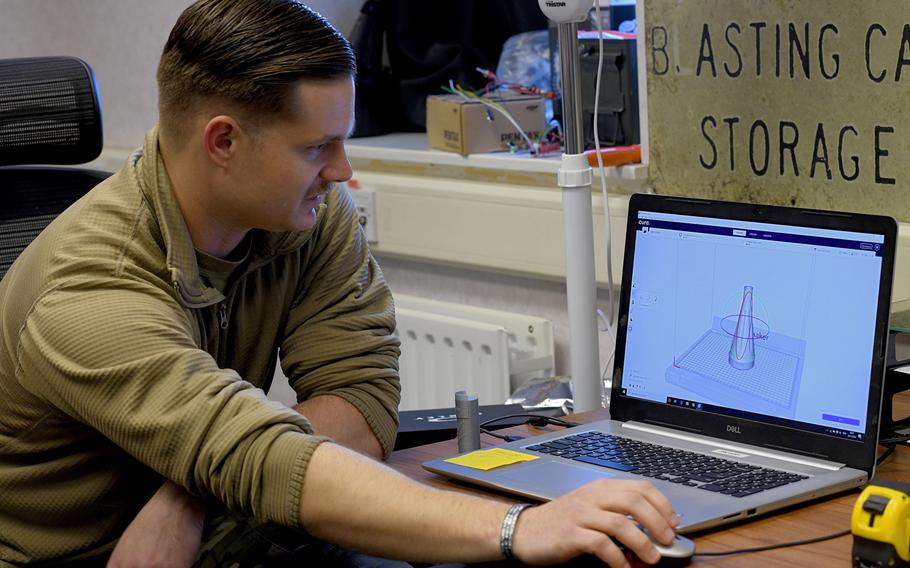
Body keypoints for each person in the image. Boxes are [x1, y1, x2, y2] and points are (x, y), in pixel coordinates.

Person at [0, 1, 679, 566]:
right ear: (223, 142)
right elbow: (252, 452)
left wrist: (192, 490)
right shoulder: (88, 289)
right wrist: (519, 530)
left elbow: (360, 395)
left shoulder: (308, 213)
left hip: (215, 531)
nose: (342, 170)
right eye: (316, 146)